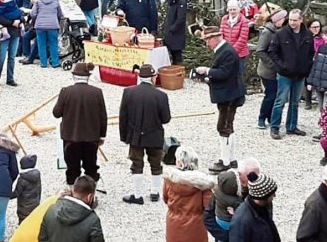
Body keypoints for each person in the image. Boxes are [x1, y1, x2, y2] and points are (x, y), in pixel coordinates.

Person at [194, 26, 245, 173]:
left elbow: (224, 73)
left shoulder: (227, 52)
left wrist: (207, 71)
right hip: (229, 93)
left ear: (216, 37)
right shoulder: (224, 50)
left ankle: (225, 161)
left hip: (229, 95)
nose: (207, 44)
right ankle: (231, 158)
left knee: (223, 127)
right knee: (229, 125)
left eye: (208, 40)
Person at [119, 64, 171, 204]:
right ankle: (155, 192)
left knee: (137, 163)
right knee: (156, 163)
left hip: (135, 135)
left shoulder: (128, 92)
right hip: (154, 134)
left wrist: (124, 136)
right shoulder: (161, 95)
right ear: (153, 77)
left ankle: (137, 194)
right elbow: (166, 119)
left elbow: (123, 117)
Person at [53, 62, 107, 185]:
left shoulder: (66, 92)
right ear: (88, 76)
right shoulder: (97, 92)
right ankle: (90, 194)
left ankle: (73, 194)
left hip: (71, 136)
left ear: (74, 76)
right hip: (91, 137)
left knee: (72, 168)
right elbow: (103, 116)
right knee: (91, 167)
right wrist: (102, 136)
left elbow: (56, 113)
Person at [268, 9, 314, 139]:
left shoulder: (308, 35)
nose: (292, 22)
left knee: (295, 102)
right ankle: (275, 127)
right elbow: (272, 52)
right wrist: (282, 66)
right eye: (291, 20)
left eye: (295, 20)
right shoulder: (281, 34)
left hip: (300, 74)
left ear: (301, 20)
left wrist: (307, 66)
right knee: (280, 101)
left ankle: (292, 126)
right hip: (285, 74)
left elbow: (311, 53)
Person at [162, 147, 215, 242]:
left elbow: (165, 198)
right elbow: (208, 206)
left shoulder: (170, 180)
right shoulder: (202, 184)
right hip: (196, 225)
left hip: (174, 223)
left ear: (179, 162)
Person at [38, 175, 104, 242]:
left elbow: (42, 238)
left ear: (73, 190)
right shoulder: (93, 221)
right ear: (89, 197)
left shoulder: (52, 209)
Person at [256, 9, 287, 129]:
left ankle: (269, 117)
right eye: (282, 19)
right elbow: (260, 50)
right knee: (270, 95)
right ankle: (262, 118)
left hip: (276, 69)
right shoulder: (267, 32)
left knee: (274, 95)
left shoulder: (278, 31)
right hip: (267, 70)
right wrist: (272, 64)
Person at [229, 172, 281, 241]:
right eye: (272, 194)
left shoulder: (265, 205)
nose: (274, 196)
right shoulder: (241, 220)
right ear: (263, 196)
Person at [30, 0, 62, 69]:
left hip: (40, 25)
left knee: (41, 44)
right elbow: (60, 13)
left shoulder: (38, 0)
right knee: (53, 43)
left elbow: (33, 13)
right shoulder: (56, 0)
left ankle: (43, 63)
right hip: (53, 25)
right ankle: (55, 62)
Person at [220, 0, 250, 73]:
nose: (232, 11)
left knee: (238, 74)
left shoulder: (244, 21)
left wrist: (232, 51)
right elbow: (221, 34)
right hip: (226, 52)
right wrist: (223, 48)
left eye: (234, 9)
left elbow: (243, 38)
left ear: (238, 9)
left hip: (239, 53)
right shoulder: (224, 19)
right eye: (230, 9)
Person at [162, 0, 187, 65]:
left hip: (176, 33)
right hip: (170, 33)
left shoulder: (180, 1)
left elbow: (181, 18)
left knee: (177, 56)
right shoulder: (172, 0)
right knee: (172, 55)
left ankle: (178, 74)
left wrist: (172, 29)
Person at [11, 154, 41, 224]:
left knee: (23, 222)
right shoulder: (37, 175)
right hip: (35, 204)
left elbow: (17, 193)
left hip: (24, 207)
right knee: (33, 220)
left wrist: (7, 195)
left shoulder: (22, 179)